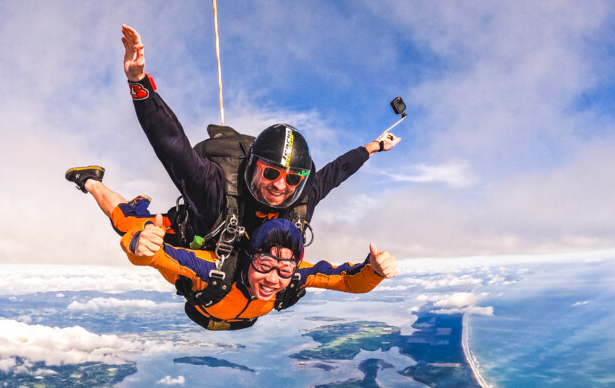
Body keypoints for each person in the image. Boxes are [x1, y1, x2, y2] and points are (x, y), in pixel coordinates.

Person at [65, 25, 401, 253]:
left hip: (244, 269)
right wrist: (139, 84)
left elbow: (337, 171)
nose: (281, 185)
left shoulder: (303, 196)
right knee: (129, 220)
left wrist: (375, 146)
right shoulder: (214, 189)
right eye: (271, 172)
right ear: (253, 167)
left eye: (292, 177)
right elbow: (172, 145)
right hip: (193, 235)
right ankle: (92, 182)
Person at [117, 197, 397, 331]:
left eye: (285, 270)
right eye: (264, 265)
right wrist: (137, 244)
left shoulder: (295, 275)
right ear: (249, 257)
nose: (274, 279)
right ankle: (96, 184)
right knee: (124, 221)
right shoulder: (210, 269)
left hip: (232, 316)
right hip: (202, 300)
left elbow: (348, 281)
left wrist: (374, 272)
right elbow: (158, 256)